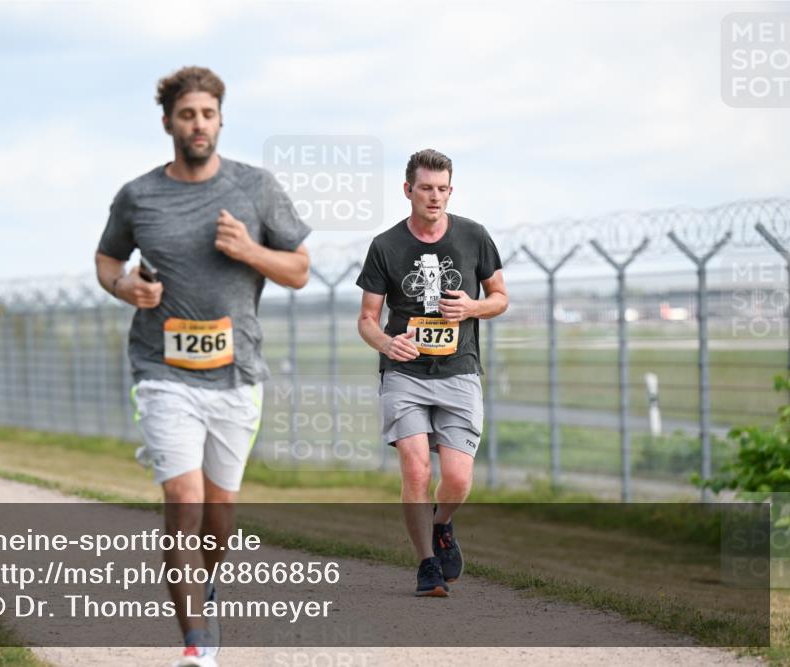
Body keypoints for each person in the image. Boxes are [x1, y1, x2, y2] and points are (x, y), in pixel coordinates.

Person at [94, 66, 310, 667]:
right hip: (162, 371)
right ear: (168, 121)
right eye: (186, 114)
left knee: (219, 518)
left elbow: (298, 271)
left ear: (220, 119)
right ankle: (197, 645)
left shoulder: (256, 188)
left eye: (207, 114)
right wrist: (125, 286)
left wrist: (248, 249)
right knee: (184, 502)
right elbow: (108, 261)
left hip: (237, 374)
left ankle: (204, 591)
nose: (198, 124)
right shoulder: (138, 196)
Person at [356, 149, 507, 597]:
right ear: (408, 191)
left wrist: (473, 306)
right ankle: (426, 564)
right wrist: (387, 342)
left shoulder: (474, 236)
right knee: (416, 470)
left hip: (459, 369)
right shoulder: (386, 246)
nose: (434, 196)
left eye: (442, 189)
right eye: (426, 188)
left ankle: (442, 525)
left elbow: (499, 296)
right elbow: (367, 318)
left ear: (450, 191)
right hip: (404, 372)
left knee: (458, 478)